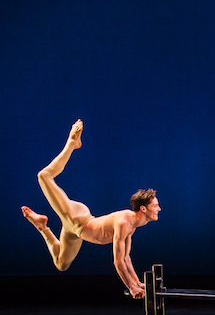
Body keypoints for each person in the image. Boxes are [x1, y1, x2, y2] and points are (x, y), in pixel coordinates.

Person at [21, 119, 160, 299]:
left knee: (61, 264)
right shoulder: (125, 222)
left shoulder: (133, 225)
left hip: (77, 230)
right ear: (143, 209)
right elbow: (117, 262)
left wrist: (139, 283)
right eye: (155, 206)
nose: (159, 209)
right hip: (77, 218)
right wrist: (132, 289)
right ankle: (71, 144)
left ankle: (42, 227)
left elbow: (126, 258)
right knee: (44, 176)